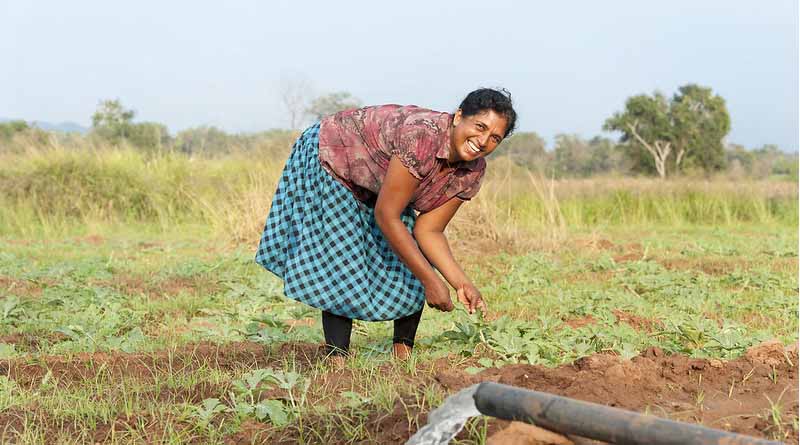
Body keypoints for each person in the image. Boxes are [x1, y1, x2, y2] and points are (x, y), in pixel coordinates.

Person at [255, 88, 517, 362]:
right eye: (480, 127)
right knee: (344, 256)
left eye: (495, 137)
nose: (483, 140)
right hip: (333, 156)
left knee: (410, 256)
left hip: (377, 179)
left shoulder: (473, 170)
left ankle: (402, 356)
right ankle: (337, 360)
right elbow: (386, 215)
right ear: (458, 116)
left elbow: (429, 231)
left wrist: (461, 284)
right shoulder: (422, 136)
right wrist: (431, 280)